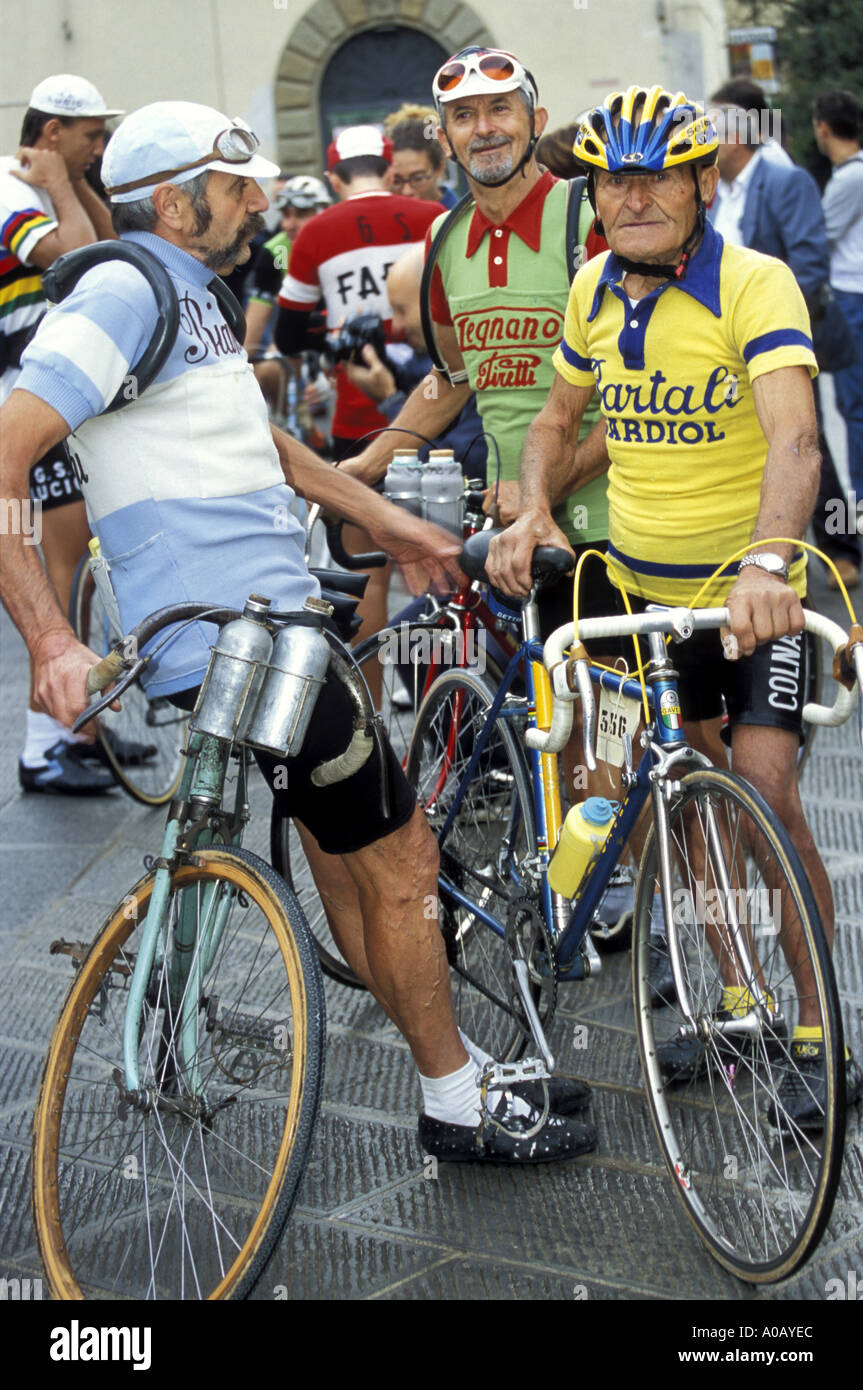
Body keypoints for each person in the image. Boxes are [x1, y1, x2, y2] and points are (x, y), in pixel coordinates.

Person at [0, 99, 593, 1166]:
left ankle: (437, 1055)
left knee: (344, 849)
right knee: (404, 857)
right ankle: (454, 1098)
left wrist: (382, 517)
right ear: (174, 202)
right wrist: (48, 638)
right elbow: (3, 454)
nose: (259, 205)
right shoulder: (124, 290)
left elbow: (253, 434)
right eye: (235, 190)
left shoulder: (188, 293)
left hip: (263, 631)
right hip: (246, 639)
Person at [485, 83, 862, 1126]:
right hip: (644, 593)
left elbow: (793, 438)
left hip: (750, 593)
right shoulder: (593, 289)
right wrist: (531, 511)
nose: (633, 196)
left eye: (656, 175)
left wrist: (764, 567)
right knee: (684, 796)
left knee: (764, 784)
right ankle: (733, 999)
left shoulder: (754, 283)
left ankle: (814, 1021)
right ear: (595, 194)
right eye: (614, 178)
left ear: (701, 182)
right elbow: (559, 419)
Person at [274, 125, 443, 648]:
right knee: (442, 572)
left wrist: (337, 344)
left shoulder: (316, 231)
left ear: (333, 177)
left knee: (367, 576)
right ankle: (445, 707)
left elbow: (288, 333)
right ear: (391, 170)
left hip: (359, 424)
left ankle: (370, 723)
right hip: (435, 417)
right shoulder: (433, 219)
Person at [1, 73, 123, 794]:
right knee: (62, 569)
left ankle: (84, 727)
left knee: (75, 568)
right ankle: (48, 744)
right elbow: (86, 269)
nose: (99, 148)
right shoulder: (13, 189)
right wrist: (60, 185)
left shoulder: (51, 189)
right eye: (90, 136)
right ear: (51, 133)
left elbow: (112, 243)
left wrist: (75, 185)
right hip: (24, 410)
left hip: (44, 405)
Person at [709, 81, 861, 591]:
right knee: (752, 451)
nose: (706, 137)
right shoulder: (717, 193)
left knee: (801, 443)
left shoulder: (784, 181)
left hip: (779, 341)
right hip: (722, 347)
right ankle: (764, 546)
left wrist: (766, 322)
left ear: (739, 137)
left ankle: (841, 547)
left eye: (714, 127)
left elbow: (810, 263)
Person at [814, 89, 863, 534]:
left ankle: (860, 507)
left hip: (853, 297)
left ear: (823, 128)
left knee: (855, 407)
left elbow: (819, 233)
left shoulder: (851, 178)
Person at [243, 174, 331, 419]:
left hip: (336, 335)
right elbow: (255, 324)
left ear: (323, 213)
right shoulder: (278, 250)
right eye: (286, 214)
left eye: (301, 214)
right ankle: (289, 429)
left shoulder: (339, 242)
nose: (290, 224)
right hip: (297, 337)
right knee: (268, 369)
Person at [385, 103, 458, 207]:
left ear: (439, 170)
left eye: (417, 179)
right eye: (397, 181)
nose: (407, 191)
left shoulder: (464, 219)